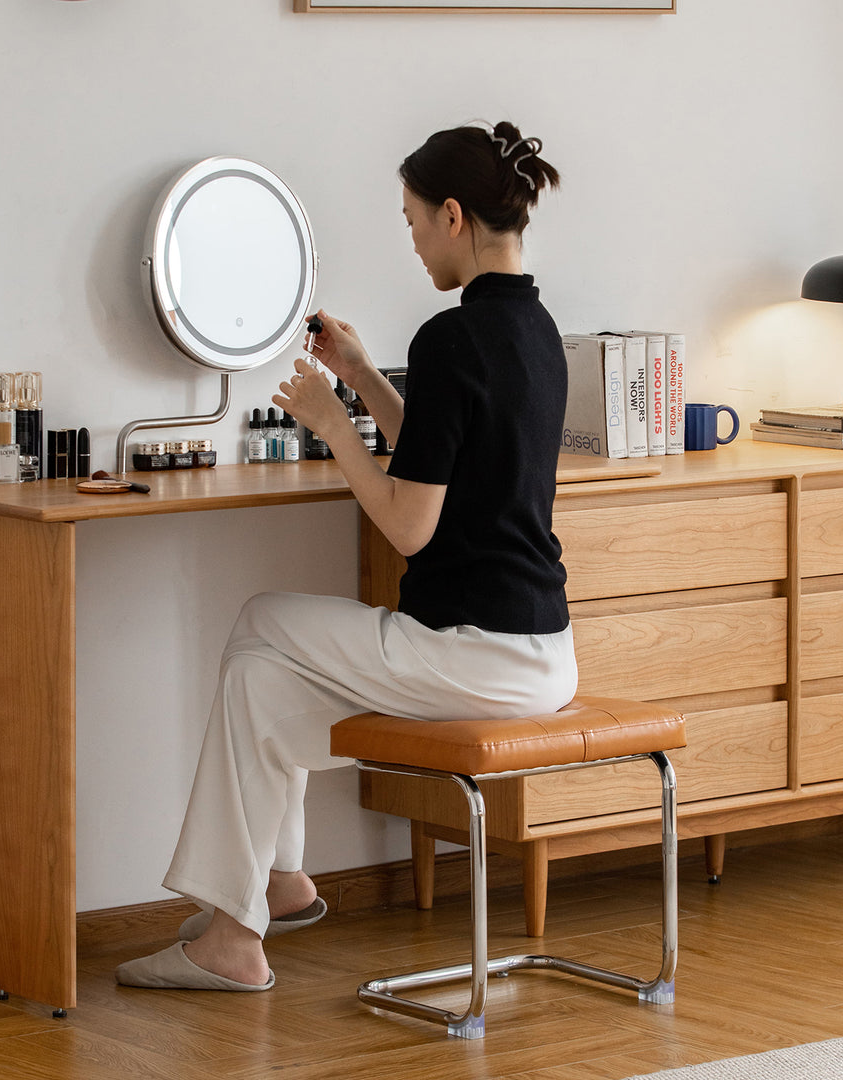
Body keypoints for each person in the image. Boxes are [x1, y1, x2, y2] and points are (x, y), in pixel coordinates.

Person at [115, 120, 577, 992]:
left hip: (470, 651)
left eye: (409, 220)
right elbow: (446, 462)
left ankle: (256, 909)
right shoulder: (538, 332)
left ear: (451, 216)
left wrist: (331, 427)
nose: (409, 241)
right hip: (542, 652)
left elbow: (409, 524)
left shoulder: (453, 338)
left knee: (260, 619)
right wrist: (364, 379)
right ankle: (257, 908)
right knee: (260, 686)